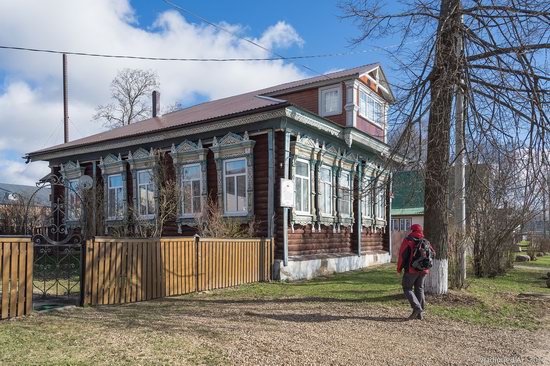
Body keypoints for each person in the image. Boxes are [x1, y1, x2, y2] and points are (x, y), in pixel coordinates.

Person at [397, 224, 434, 320]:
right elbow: (433, 253)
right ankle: (420, 314)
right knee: (419, 289)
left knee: (407, 288)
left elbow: (402, 255)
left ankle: (417, 308)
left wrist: (399, 268)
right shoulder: (426, 241)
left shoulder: (408, 240)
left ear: (412, 230)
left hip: (411, 269)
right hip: (423, 270)